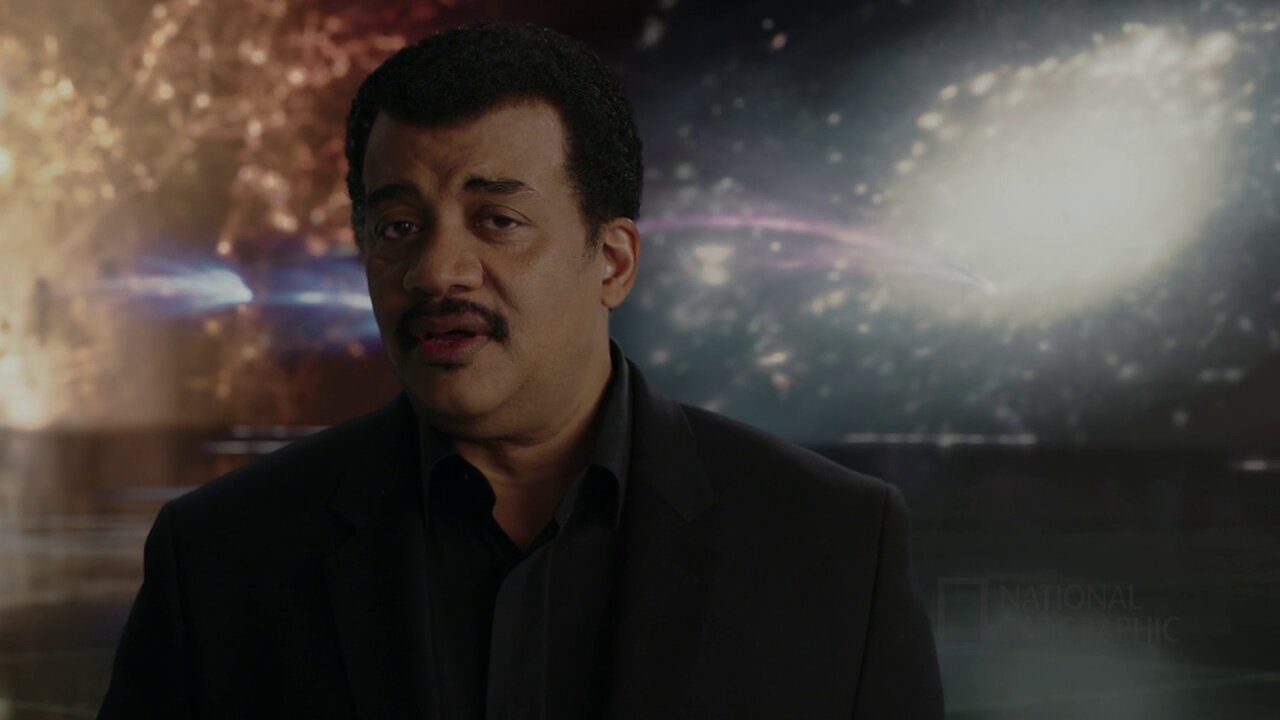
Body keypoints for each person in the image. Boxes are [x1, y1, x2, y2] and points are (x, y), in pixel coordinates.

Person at [98, 22, 944, 720]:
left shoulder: (832, 546)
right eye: (397, 228)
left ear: (613, 261)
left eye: (496, 220)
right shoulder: (221, 557)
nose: (437, 272)